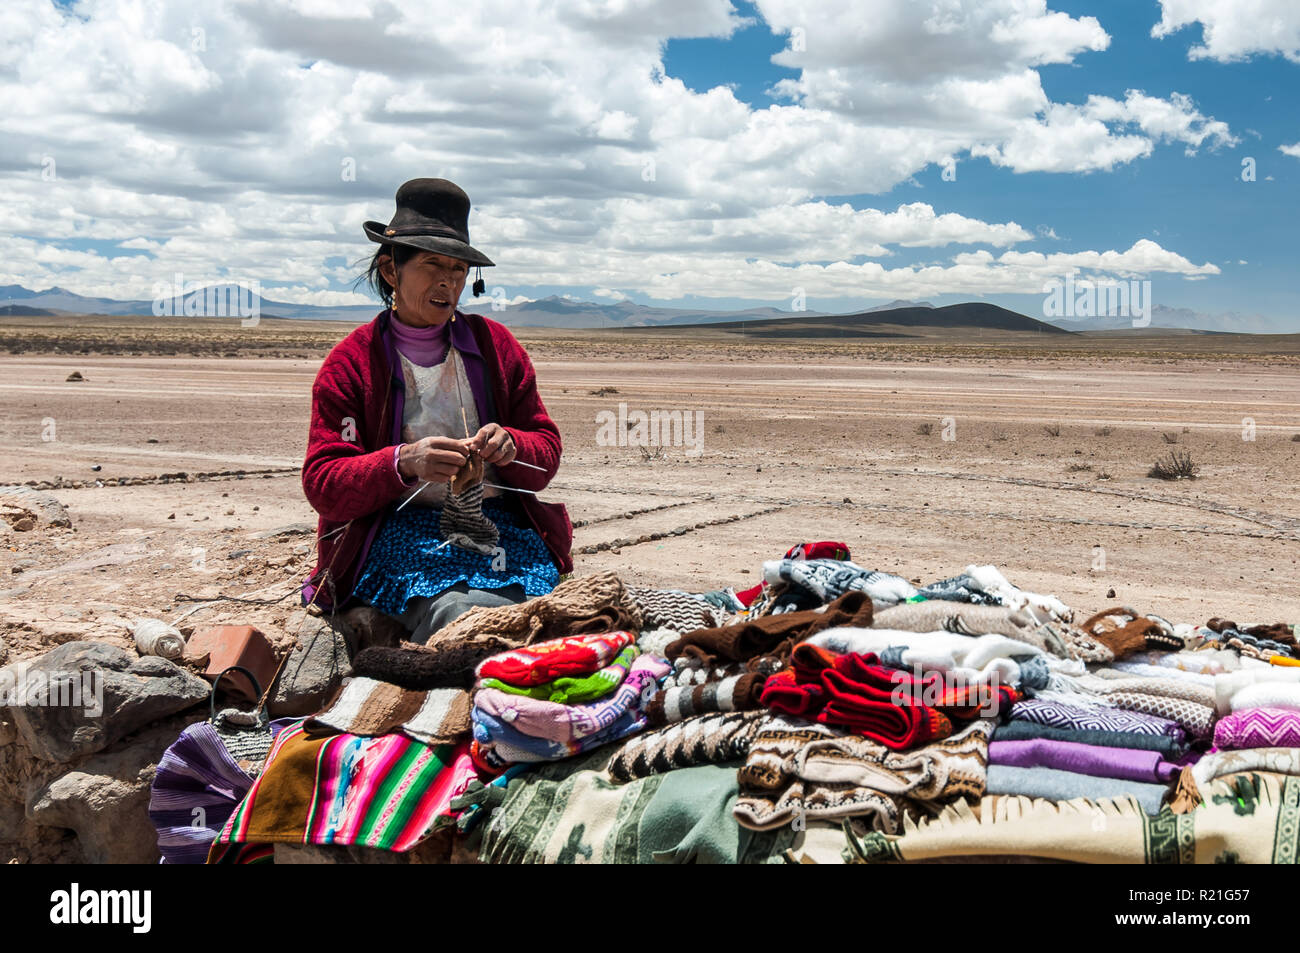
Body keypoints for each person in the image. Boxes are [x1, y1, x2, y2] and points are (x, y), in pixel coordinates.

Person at [301, 178, 573, 643]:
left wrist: (512, 445)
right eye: (432, 265)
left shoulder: (496, 347)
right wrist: (402, 462)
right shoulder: (352, 363)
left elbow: (544, 451)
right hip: (399, 530)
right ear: (391, 270)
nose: (449, 281)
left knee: (545, 611)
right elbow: (325, 484)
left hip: (497, 525)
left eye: (458, 269)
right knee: (457, 611)